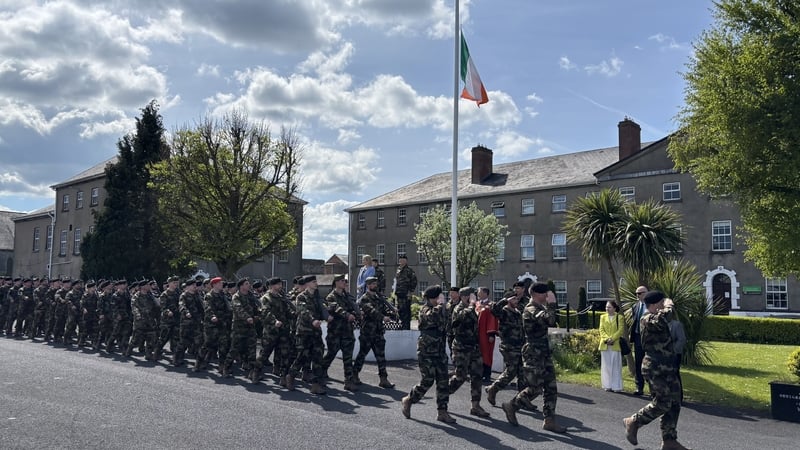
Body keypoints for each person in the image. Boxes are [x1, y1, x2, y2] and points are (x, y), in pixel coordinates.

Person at [623, 291, 689, 450]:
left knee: (674, 402)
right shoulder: (647, 318)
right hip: (654, 367)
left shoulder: (657, 317)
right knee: (662, 403)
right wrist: (669, 306)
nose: (663, 306)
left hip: (668, 366)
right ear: (654, 305)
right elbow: (662, 318)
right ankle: (633, 421)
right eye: (661, 303)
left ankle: (669, 440)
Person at [501, 282, 568, 433]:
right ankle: (512, 405)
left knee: (551, 387)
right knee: (535, 387)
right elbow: (550, 320)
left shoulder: (539, 308)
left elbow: (551, 320)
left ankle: (549, 420)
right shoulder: (531, 309)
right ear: (537, 294)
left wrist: (549, 306)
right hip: (533, 353)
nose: (547, 296)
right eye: (545, 294)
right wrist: (552, 304)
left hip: (543, 352)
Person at [401, 285, 455, 423]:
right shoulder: (424, 309)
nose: (441, 299)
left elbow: (449, 315)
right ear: (433, 298)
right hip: (427, 351)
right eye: (438, 297)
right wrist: (440, 305)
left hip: (439, 351)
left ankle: (442, 411)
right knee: (428, 380)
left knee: (443, 382)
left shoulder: (441, 309)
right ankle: (409, 399)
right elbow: (431, 317)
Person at [448, 287, 490, 418]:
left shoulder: (474, 307)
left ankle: (475, 406)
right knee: (460, 377)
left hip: (474, 347)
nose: (476, 298)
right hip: (461, 348)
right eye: (473, 296)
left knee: (477, 376)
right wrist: (472, 305)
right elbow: (461, 317)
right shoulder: (458, 308)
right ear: (466, 297)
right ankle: (443, 394)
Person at [286, 275, 329, 394]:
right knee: (302, 357)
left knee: (317, 357)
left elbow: (323, 309)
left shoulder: (317, 297)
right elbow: (303, 311)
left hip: (316, 332)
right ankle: (290, 376)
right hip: (304, 331)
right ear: (308, 283)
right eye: (314, 282)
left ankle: (315, 384)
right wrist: (313, 320)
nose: (316, 284)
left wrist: (327, 315)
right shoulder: (301, 297)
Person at [485, 288, 527, 407]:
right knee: (511, 371)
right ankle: (493, 389)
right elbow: (494, 310)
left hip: (519, 345)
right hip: (509, 345)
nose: (516, 300)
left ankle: (522, 398)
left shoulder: (518, 311)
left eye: (516, 298)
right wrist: (504, 300)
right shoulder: (504, 311)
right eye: (513, 298)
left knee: (522, 372)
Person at [353, 276, 397, 388]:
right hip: (367, 332)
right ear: (367, 285)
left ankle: (384, 379)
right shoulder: (364, 299)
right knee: (362, 355)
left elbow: (384, 310)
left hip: (378, 331)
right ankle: (354, 375)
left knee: (381, 356)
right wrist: (383, 317)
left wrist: (392, 312)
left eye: (375, 284)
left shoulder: (379, 298)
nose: (374, 286)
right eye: (372, 284)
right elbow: (371, 311)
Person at [321, 274, 359, 391]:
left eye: (345, 281)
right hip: (335, 331)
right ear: (336, 282)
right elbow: (336, 308)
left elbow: (355, 308)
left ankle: (348, 381)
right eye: (342, 281)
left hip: (347, 331)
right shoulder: (331, 296)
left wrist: (358, 313)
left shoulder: (347, 296)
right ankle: (321, 371)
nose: (345, 283)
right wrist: (347, 315)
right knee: (331, 353)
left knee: (348, 357)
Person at [221, 279, 262, 383]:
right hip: (239, 327)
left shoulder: (251, 296)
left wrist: (258, 314)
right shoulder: (236, 296)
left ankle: (253, 372)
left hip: (251, 327)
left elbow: (257, 307)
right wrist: (247, 317)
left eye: (249, 283)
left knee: (252, 350)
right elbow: (238, 309)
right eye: (247, 284)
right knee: (235, 349)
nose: (249, 285)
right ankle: (225, 368)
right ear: (241, 286)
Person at [599, 300, 624, 392]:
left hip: (615, 345)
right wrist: (606, 339)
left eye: (609, 307)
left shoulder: (620, 317)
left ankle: (616, 386)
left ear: (614, 308)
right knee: (606, 366)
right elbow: (601, 329)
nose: (607, 309)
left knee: (615, 366)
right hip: (605, 345)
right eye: (606, 307)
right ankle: (607, 385)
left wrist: (612, 339)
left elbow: (620, 330)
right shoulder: (602, 317)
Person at [475, 286, 498, 382]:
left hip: (486, 334)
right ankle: (479, 373)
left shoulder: (491, 305)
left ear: (485, 293)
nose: (477, 293)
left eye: (479, 292)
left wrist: (491, 334)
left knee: (486, 354)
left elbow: (493, 319)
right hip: (476, 334)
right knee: (477, 354)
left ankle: (487, 374)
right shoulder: (476, 304)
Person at [630, 285, 649, 396]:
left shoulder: (652, 306)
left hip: (649, 339)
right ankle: (639, 387)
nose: (638, 295)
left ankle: (653, 389)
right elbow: (634, 322)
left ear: (646, 293)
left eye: (640, 293)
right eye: (636, 293)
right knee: (638, 363)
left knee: (651, 363)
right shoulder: (635, 306)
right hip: (638, 337)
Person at [392, 254, 417, 330]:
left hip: (406, 294)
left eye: (403, 260)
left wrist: (410, 292)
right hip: (399, 293)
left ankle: (406, 328)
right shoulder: (398, 269)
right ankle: (402, 326)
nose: (401, 261)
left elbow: (414, 281)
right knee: (400, 310)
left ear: (406, 261)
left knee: (406, 311)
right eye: (400, 260)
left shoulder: (409, 270)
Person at [669, 305, 687, 404]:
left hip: (674, 354)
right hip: (664, 355)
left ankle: (678, 397)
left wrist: (674, 350)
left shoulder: (677, 325)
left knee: (675, 375)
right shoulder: (660, 324)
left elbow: (682, 339)